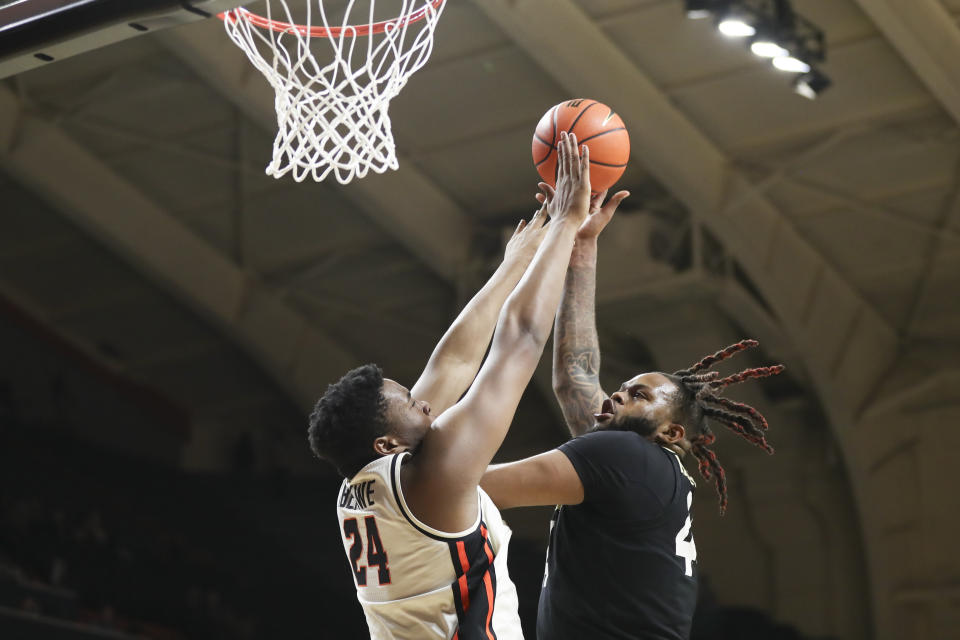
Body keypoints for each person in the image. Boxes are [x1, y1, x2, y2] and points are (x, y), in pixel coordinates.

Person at [309, 133, 620, 639]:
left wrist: (514, 263)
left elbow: (453, 361)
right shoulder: (434, 475)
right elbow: (519, 342)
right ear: (386, 443)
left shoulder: (360, 486)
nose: (426, 405)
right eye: (410, 403)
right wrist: (565, 223)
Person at [480, 196, 784, 640]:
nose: (617, 396)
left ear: (671, 431)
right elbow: (576, 376)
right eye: (620, 390)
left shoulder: (625, 454)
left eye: (637, 396)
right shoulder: (641, 464)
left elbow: (478, 487)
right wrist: (582, 244)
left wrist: (405, 468)